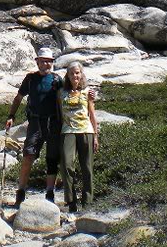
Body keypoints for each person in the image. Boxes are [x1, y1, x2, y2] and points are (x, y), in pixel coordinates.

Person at [5, 47, 63, 206]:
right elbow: (18, 98)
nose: (45, 64)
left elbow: (67, 98)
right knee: (28, 155)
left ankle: (50, 193)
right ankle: (21, 191)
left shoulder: (57, 80)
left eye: (48, 61)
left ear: (51, 63)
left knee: (52, 158)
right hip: (35, 123)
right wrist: (11, 116)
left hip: (53, 123)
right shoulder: (30, 79)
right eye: (42, 61)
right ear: (37, 62)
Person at [58, 61, 99, 213]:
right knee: (67, 165)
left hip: (86, 130)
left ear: (81, 74)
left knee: (86, 167)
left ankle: (87, 202)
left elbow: (92, 115)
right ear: (67, 76)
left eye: (77, 73)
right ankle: (71, 201)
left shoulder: (88, 92)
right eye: (71, 73)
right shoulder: (61, 92)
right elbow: (58, 113)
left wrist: (95, 136)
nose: (75, 76)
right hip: (67, 130)